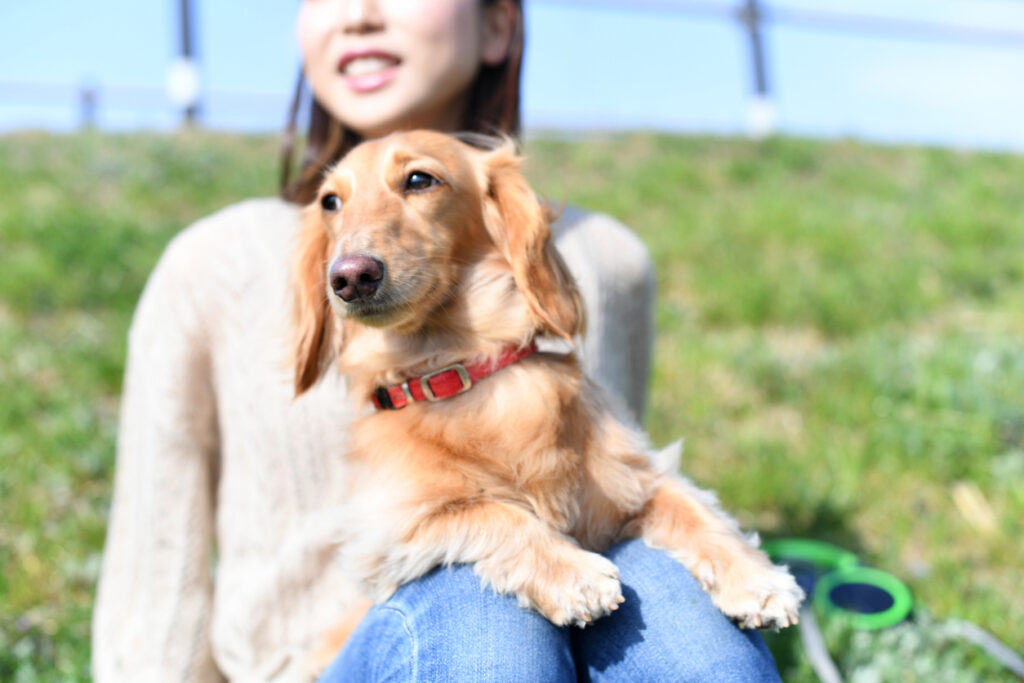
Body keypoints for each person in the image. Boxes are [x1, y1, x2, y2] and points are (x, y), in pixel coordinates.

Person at [92, 0, 782, 681]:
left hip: (570, 638)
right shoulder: (213, 261)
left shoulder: (610, 260)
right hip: (331, 662)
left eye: (419, 182)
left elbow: (612, 508)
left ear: (499, 23)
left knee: (687, 622)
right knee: (478, 613)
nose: (358, 14)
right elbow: (153, 577)